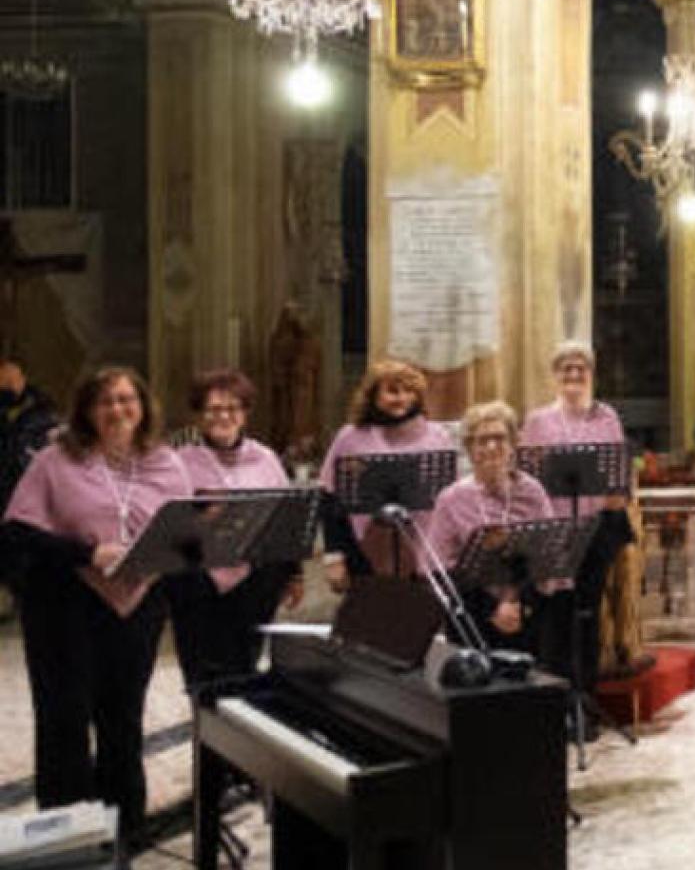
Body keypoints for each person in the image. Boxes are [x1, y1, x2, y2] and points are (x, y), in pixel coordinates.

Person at [1, 367, 193, 842]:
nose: (117, 409)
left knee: (122, 722)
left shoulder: (167, 462)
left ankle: (123, 836)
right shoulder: (54, 460)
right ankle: (65, 844)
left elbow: (186, 533)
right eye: (104, 401)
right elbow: (19, 531)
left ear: (144, 406)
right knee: (65, 724)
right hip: (63, 608)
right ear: (86, 410)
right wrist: (89, 553)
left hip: (138, 609)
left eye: (127, 399)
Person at [520, 342, 643, 706]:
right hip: (555, 531)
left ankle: (585, 699)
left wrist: (619, 492)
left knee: (588, 613)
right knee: (557, 613)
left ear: (591, 374)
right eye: (566, 368)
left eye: (581, 368)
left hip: (596, 528)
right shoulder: (538, 421)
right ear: (555, 375)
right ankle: (557, 700)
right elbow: (528, 478)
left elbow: (616, 471)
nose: (574, 375)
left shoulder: (607, 417)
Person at [171, 369, 301, 693]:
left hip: (256, 582)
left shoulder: (266, 458)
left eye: (233, 408)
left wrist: (294, 575)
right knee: (202, 677)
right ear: (199, 415)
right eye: (213, 409)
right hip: (198, 584)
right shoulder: (179, 462)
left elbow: (286, 523)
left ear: (245, 414)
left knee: (245, 670)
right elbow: (167, 528)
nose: (223, 416)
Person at [426, 401, 560, 652]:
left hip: (526, 609)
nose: (491, 447)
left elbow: (548, 557)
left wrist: (516, 602)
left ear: (513, 444)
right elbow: (439, 571)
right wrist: (493, 609)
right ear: (469, 448)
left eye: (499, 438)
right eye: (481, 440)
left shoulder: (532, 491)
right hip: (472, 614)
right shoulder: (451, 499)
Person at [318, 360, 455, 590]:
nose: (401, 398)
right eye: (392, 391)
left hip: (423, 550)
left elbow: (449, 502)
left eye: (408, 391)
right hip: (362, 551)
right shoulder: (350, 437)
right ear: (373, 396)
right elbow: (330, 500)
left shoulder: (438, 436)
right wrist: (334, 557)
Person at [0, 354, 59, 516]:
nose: (10, 386)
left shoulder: (43, 414)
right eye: (4, 381)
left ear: (23, 379)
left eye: (14, 380)